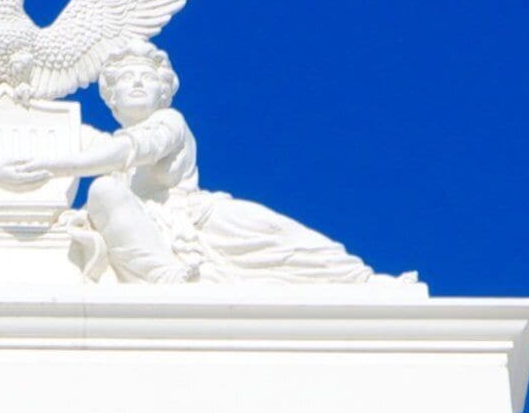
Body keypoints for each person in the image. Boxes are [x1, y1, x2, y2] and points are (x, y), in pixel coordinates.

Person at [35, 42, 381, 286]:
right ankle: (164, 275)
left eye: (147, 77)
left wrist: (56, 166)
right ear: (111, 98)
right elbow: (55, 138)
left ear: (163, 92)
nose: (137, 82)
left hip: (198, 219)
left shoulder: (170, 122)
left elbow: (129, 150)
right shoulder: (100, 145)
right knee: (105, 190)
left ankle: (358, 277)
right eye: (126, 78)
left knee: (286, 241)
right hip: (147, 231)